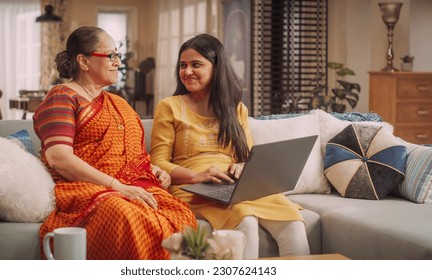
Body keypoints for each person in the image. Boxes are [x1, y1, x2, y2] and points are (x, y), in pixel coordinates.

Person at [33, 26, 197, 260]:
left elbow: (130, 157)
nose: (118, 62)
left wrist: (153, 169)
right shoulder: (62, 97)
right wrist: (117, 186)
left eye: (118, 55)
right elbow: (59, 158)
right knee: (123, 213)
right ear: (84, 61)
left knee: (180, 213)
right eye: (110, 55)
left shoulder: (117, 103)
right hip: (86, 187)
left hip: (132, 186)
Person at [150, 33, 310, 259]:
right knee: (245, 219)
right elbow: (158, 162)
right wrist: (197, 176)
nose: (187, 72)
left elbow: (246, 157)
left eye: (196, 65)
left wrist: (243, 167)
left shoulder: (236, 109)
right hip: (191, 186)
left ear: (216, 68)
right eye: (183, 65)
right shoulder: (169, 106)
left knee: (292, 219)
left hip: (234, 185)